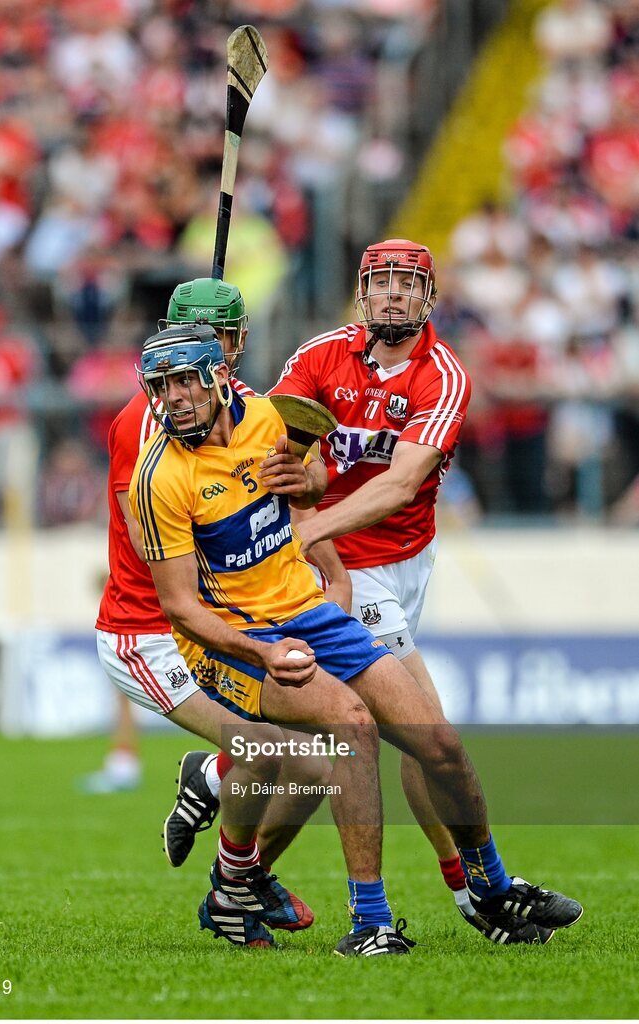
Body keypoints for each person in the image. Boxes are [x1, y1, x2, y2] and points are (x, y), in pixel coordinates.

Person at [129, 322, 583, 956]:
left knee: (439, 744)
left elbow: (313, 490)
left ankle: (493, 884)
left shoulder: (266, 417)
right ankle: (370, 921)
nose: (173, 398)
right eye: (160, 387)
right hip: (234, 640)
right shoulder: (159, 479)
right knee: (351, 727)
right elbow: (180, 609)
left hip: (311, 613)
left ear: (217, 378)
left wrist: (303, 478)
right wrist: (261, 652)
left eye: (185, 381)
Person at [268, 237, 565, 943]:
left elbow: (402, 483)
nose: (393, 294)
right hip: (345, 567)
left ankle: (237, 855)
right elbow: (281, 457)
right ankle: (479, 889)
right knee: (429, 737)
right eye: (380, 282)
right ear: (361, 295)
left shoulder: (443, 376)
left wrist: (310, 525)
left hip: (407, 562)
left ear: (429, 297)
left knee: (414, 742)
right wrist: (310, 531)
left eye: (408, 283)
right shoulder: (314, 359)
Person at [90, 277, 337, 947]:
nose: (194, 383)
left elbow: (301, 494)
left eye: (220, 351)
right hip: (150, 634)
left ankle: (240, 872)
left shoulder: (253, 412)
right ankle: (236, 889)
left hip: (221, 628)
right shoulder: (138, 428)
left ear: (234, 352)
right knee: (261, 752)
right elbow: (150, 546)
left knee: (318, 767)